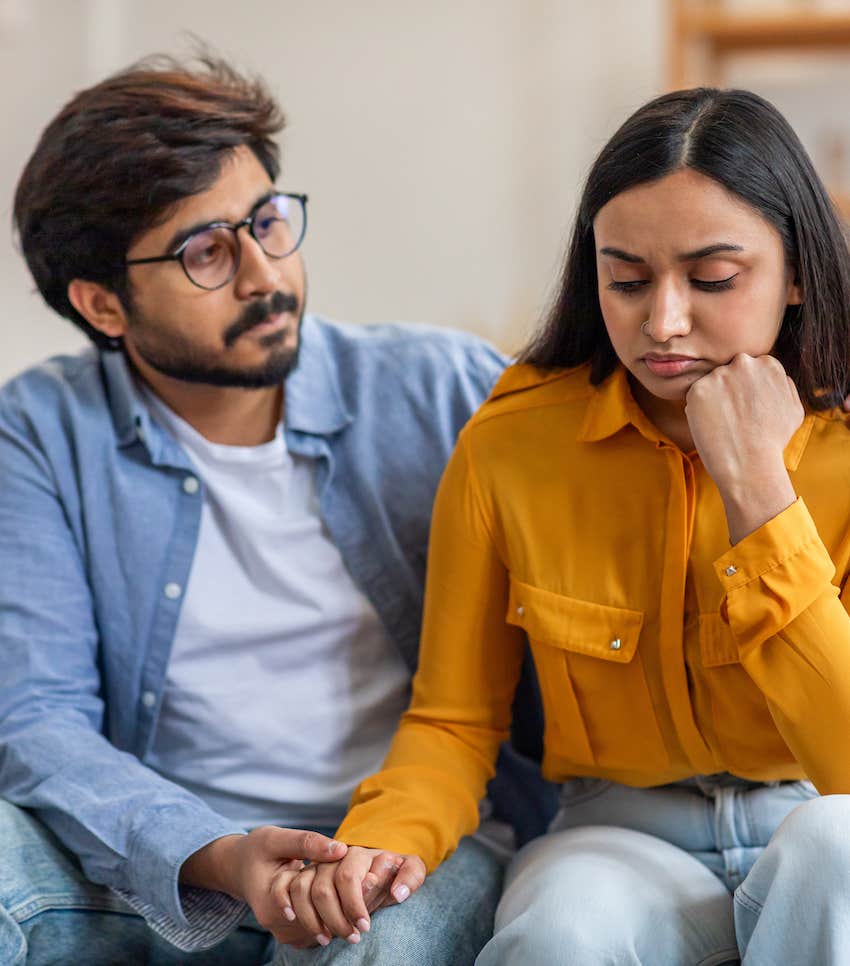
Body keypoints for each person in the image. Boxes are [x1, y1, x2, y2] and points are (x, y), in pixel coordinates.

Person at [0, 53, 556, 965]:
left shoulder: (443, 389)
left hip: (406, 852)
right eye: (206, 252)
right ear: (104, 305)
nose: (264, 275)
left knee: (372, 948)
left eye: (267, 221)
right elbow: (38, 719)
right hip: (171, 868)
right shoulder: (40, 432)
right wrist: (218, 856)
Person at [292, 87, 850, 965]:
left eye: (712, 279)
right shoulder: (512, 444)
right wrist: (382, 840)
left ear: (800, 275)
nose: (662, 321)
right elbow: (453, 718)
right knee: (562, 926)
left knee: (838, 848)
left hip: (821, 815)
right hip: (621, 832)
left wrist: (758, 494)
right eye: (625, 279)